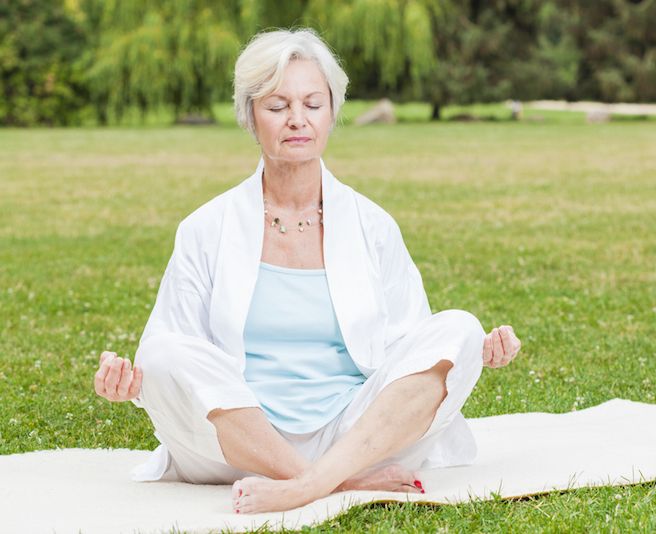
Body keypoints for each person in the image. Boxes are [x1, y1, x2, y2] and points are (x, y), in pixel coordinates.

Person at [92, 28, 521, 514]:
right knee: (163, 350)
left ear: (332, 112)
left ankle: (305, 484)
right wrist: (130, 382)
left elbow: (411, 347)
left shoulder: (373, 225)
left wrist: (472, 351)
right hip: (238, 443)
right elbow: (173, 358)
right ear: (251, 117)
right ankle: (336, 484)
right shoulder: (204, 228)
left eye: (313, 104)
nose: (297, 120)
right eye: (277, 106)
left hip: (354, 432)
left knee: (458, 327)